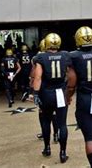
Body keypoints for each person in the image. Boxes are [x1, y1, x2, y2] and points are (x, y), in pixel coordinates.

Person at [33, 33, 76, 163]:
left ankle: (47, 148)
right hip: (61, 93)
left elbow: (38, 77)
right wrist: (69, 90)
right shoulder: (65, 55)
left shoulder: (40, 57)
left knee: (46, 122)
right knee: (62, 124)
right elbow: (70, 75)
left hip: (46, 93)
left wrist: (35, 93)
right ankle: (63, 153)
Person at [70, 26, 92, 168]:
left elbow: (71, 80)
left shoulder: (74, 56)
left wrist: (68, 95)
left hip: (85, 97)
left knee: (89, 138)